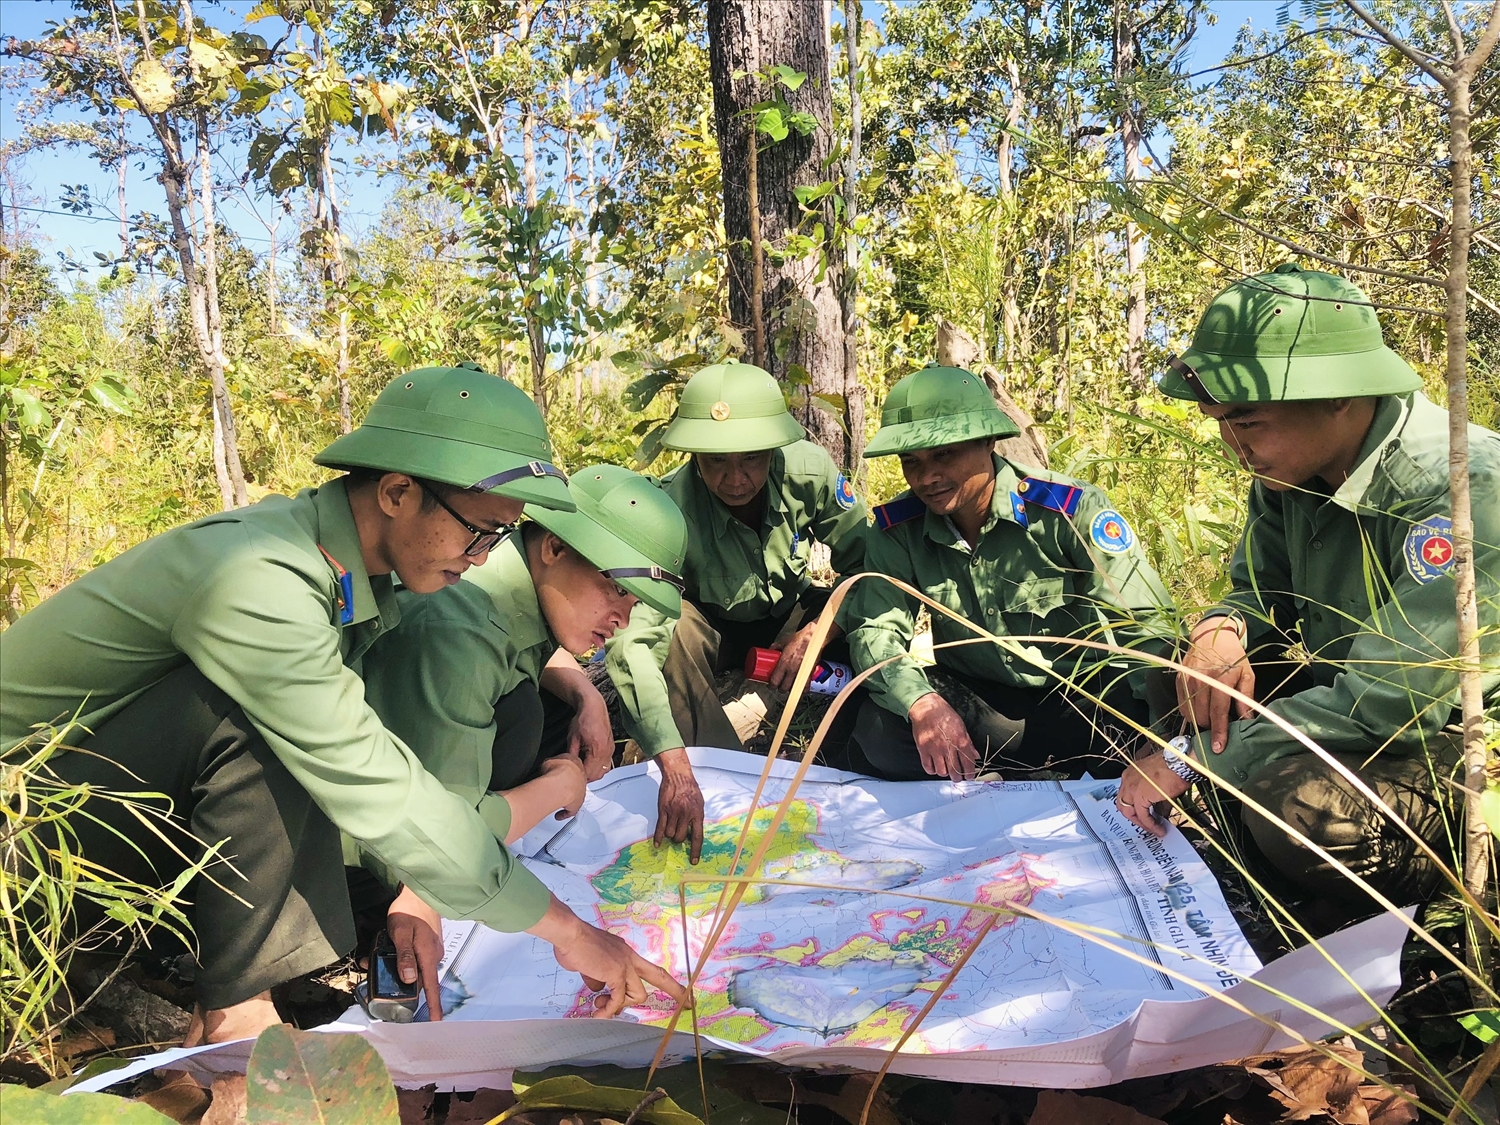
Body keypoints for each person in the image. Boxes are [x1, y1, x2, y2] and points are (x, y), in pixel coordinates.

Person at [0, 364, 683, 1045]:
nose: (481, 558)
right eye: (477, 532)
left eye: (498, 538)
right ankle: (236, 1022)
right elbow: (364, 773)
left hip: (82, 822)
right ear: (395, 492)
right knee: (251, 712)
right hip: (21, 831)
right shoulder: (262, 576)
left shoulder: (340, 570)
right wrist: (566, 929)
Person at [1117, 264, 1500, 920]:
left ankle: (1430, 908)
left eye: (1248, 420)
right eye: (1218, 421)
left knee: (1302, 812)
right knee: (1181, 683)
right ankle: (1238, 854)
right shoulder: (1288, 472)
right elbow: (1259, 592)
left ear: (1339, 395)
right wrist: (1221, 630)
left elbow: (1392, 700)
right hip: (1355, 695)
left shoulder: (1465, 490)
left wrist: (1192, 762)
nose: (1233, 445)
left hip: (1454, 734)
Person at [355, 465, 688, 994]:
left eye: (634, 602)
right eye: (612, 586)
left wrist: (585, 697)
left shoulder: (509, 589)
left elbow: (525, 652)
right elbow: (446, 839)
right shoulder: (461, 627)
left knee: (536, 709)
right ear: (553, 547)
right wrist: (558, 788)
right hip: (355, 848)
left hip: (407, 789)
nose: (621, 616)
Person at [841, 365, 1179, 783]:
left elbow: (1148, 625)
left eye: (944, 454)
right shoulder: (898, 531)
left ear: (988, 441)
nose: (927, 477)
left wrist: (1164, 738)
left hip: (1085, 701)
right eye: (912, 462)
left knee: (1143, 712)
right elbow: (875, 630)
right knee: (880, 728)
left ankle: (1065, 772)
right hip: (987, 709)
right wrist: (923, 704)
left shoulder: (1068, 511)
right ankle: (996, 776)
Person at [605, 362, 868, 860]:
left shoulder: (809, 474)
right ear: (693, 457)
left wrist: (819, 631)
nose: (735, 479)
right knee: (675, 628)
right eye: (715, 463)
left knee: (866, 626)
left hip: (792, 614)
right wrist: (673, 763)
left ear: (774, 448)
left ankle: (846, 762)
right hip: (711, 625)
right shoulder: (667, 506)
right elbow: (633, 640)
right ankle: (726, 781)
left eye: (751, 459)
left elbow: (868, 569)